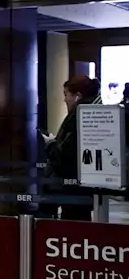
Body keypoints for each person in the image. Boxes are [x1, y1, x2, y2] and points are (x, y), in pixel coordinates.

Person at [45, 74, 100, 222]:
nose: (64, 99)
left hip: (72, 187)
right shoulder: (93, 113)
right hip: (82, 186)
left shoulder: (78, 118)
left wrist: (50, 144)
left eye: (66, 95)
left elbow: (65, 155)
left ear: (77, 96)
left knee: (74, 226)